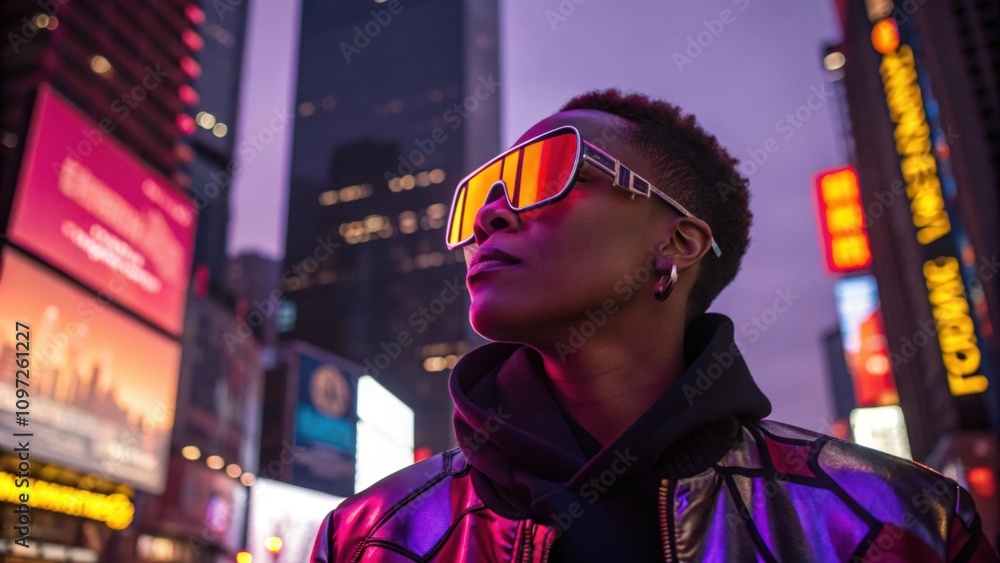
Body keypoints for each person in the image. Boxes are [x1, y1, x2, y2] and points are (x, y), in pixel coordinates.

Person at [311, 90, 998, 562]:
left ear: (678, 243)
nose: (491, 214)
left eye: (542, 172)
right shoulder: (370, 534)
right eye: (480, 197)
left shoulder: (900, 521)